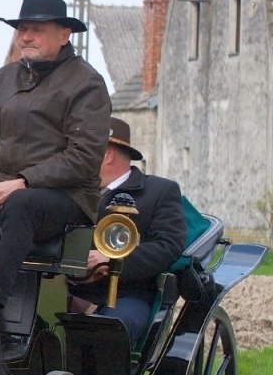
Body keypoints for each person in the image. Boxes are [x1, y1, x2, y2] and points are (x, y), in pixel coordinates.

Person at [0, 0, 111, 313]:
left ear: (64, 35)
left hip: (64, 197)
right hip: (0, 187)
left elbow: (83, 156)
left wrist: (24, 181)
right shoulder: (2, 78)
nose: (25, 36)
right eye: (22, 29)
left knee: (22, 204)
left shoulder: (87, 83)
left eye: (36, 29)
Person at [67, 118, 187, 343]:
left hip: (126, 295)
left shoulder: (160, 191)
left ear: (107, 155)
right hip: (66, 290)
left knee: (109, 333)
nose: (75, 160)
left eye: (84, 151)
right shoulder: (72, 191)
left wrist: (110, 259)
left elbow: (168, 246)